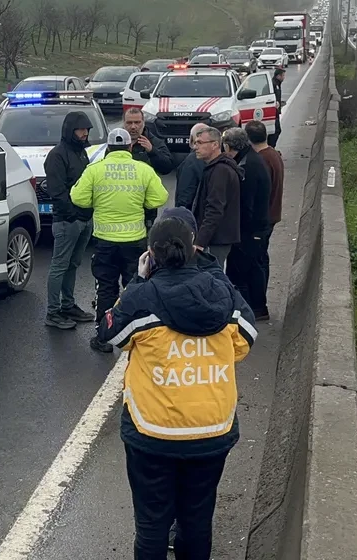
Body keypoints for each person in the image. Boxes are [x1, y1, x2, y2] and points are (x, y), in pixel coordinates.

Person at [94, 209, 258, 560]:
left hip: (152, 431)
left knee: (152, 525)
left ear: (151, 254)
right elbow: (246, 338)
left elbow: (109, 332)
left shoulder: (143, 297)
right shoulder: (221, 292)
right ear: (193, 250)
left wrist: (137, 281)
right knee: (197, 520)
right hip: (212, 430)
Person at [71, 127, 168, 353]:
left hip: (105, 241)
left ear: (108, 147)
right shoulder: (142, 169)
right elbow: (159, 197)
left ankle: (103, 336)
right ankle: (137, 333)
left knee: (105, 287)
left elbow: (78, 198)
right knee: (134, 286)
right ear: (129, 147)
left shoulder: (95, 170)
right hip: (134, 240)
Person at [43, 111, 96, 329]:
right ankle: (53, 312)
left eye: (86, 130)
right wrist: (74, 215)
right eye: (80, 129)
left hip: (84, 219)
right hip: (67, 221)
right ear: (69, 130)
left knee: (73, 265)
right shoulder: (57, 155)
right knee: (59, 265)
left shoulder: (82, 153)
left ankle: (68, 305)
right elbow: (57, 191)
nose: (84, 133)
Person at [221, 126, 272, 318]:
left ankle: (245, 312)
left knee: (239, 272)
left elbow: (247, 204)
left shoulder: (247, 167)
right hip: (257, 227)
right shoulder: (250, 159)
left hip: (250, 230)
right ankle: (257, 308)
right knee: (254, 268)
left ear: (227, 146)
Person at [246, 120, 284, 323]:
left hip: (264, 219)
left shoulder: (260, 160)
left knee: (256, 262)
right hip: (272, 215)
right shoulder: (274, 155)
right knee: (262, 260)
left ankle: (259, 306)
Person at [189, 126, 241, 265]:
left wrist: (200, 242)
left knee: (211, 277)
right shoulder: (216, 168)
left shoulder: (220, 171)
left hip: (217, 239)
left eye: (200, 143)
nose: (195, 147)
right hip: (216, 238)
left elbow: (214, 209)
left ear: (215, 145)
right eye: (195, 143)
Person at [122, 107, 177, 227]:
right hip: (120, 204)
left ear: (143, 123)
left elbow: (167, 167)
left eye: (137, 122)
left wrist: (152, 151)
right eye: (129, 123)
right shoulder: (116, 142)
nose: (133, 127)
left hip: (145, 208)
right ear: (123, 123)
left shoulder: (154, 142)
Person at [173, 123, 210, 211]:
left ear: (191, 140)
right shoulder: (215, 158)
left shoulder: (191, 162)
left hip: (194, 215)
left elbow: (185, 194)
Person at [269, 67, 286, 147]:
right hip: (273, 112)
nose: (284, 77)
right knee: (276, 130)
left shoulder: (277, 84)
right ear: (278, 76)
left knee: (276, 130)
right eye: (283, 75)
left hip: (276, 111)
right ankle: (271, 148)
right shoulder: (273, 84)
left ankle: (272, 148)